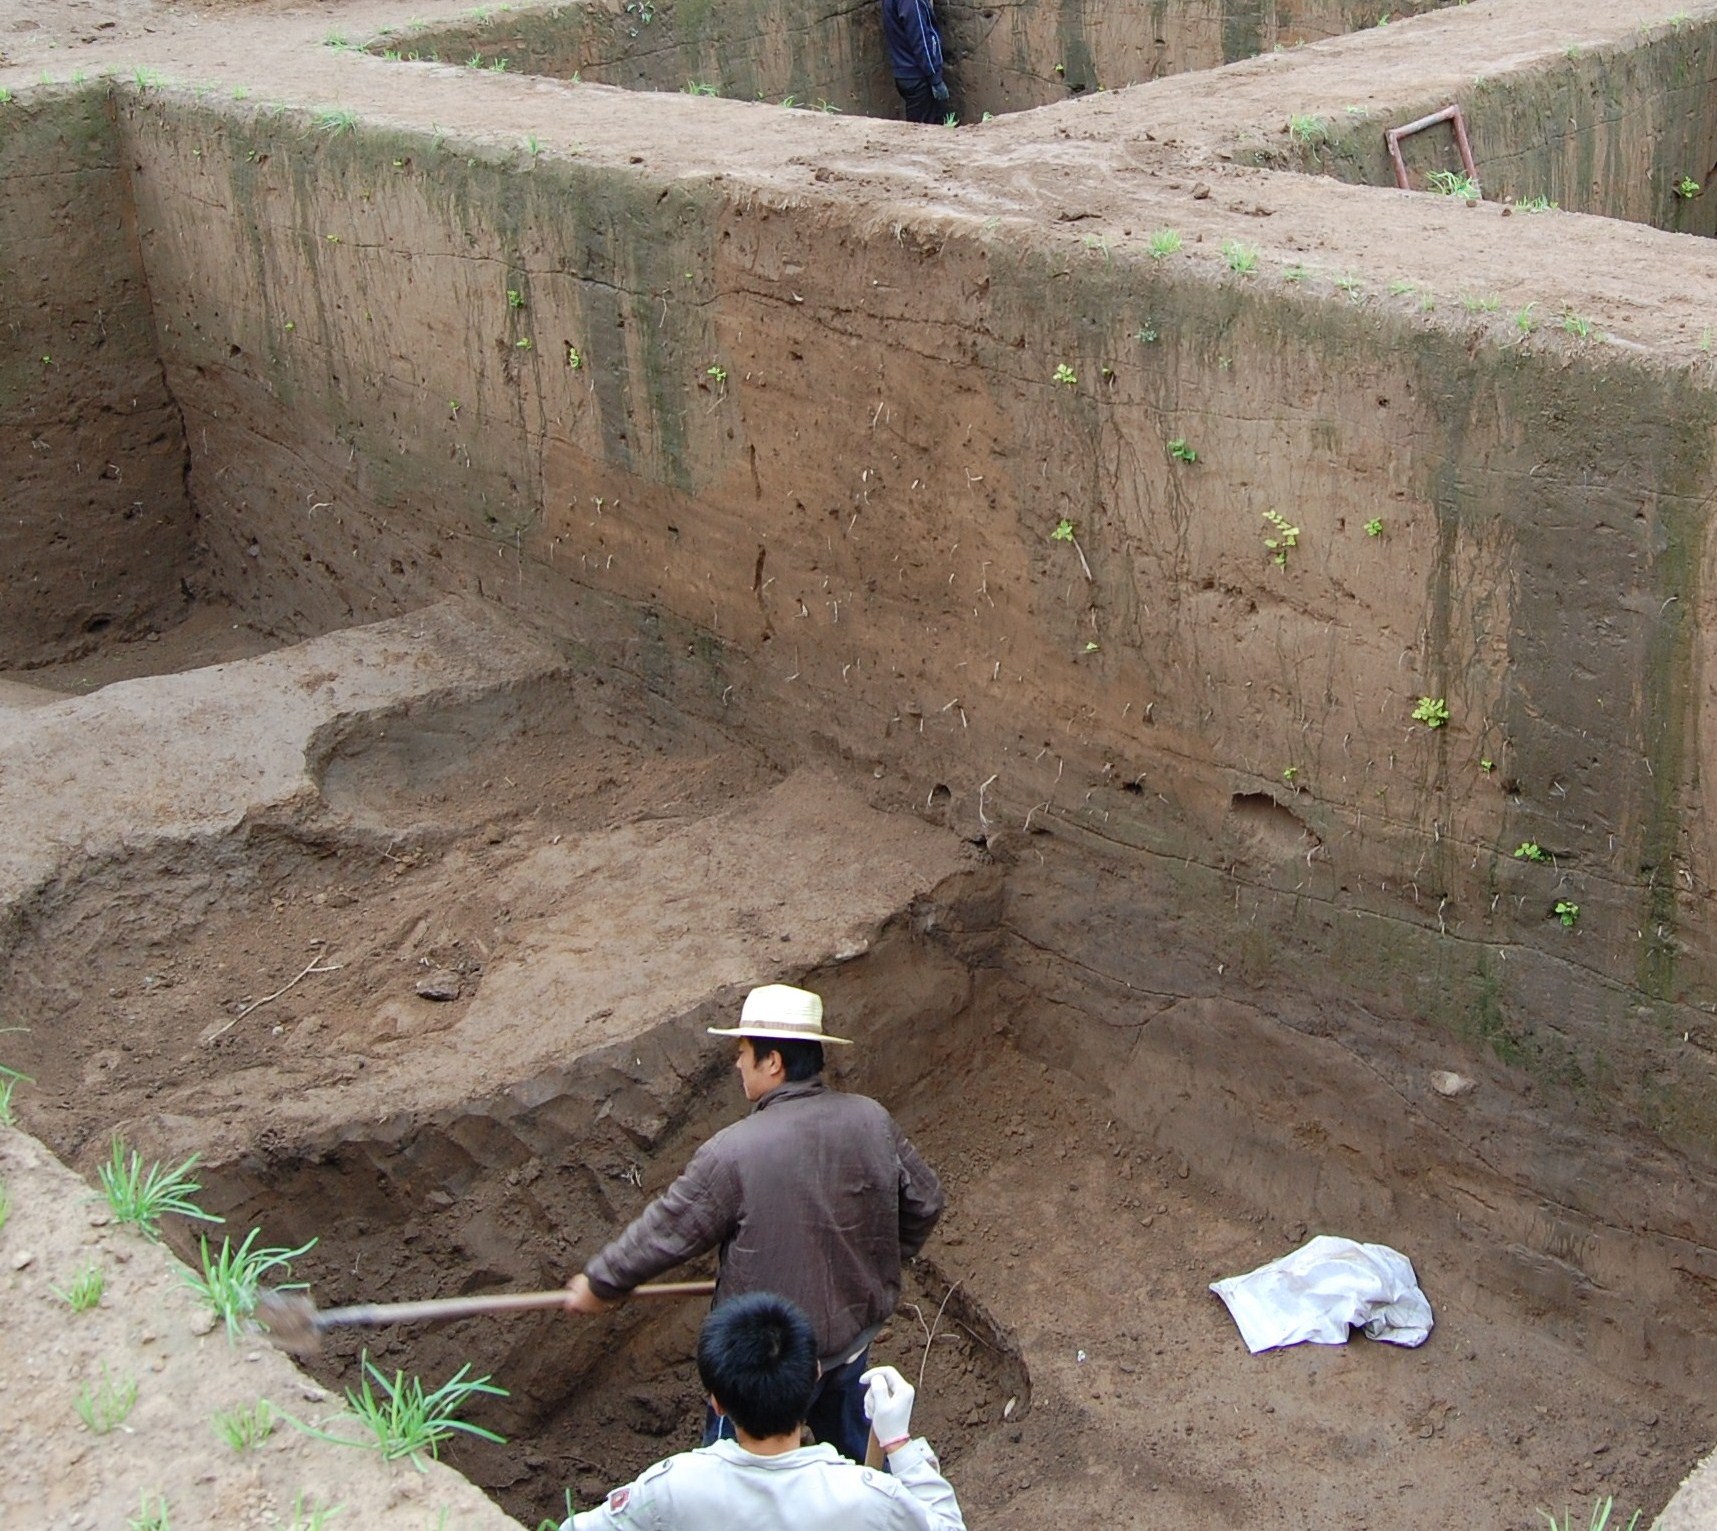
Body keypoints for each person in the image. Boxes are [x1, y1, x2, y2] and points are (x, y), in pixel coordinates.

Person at [565, 982, 945, 1463]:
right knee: (856, 1466)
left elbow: (667, 1230)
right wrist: (873, 1263)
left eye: (743, 1052)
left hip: (764, 1365)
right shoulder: (872, 1120)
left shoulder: (733, 1152)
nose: (737, 1064)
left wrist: (601, 1283)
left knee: (733, 1479)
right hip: (849, 1343)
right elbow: (926, 1201)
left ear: (773, 1062)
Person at [562, 1293, 965, 1530]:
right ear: (815, 1374)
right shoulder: (864, 1498)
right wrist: (899, 1445)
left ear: (716, 1402)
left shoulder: (673, 1487)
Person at [880, 0, 952, 124]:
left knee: (921, 124)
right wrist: (935, 79)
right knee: (924, 129)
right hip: (918, 75)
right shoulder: (912, 2)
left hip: (904, 71)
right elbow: (921, 40)